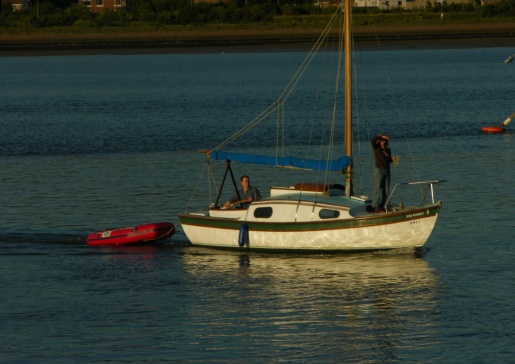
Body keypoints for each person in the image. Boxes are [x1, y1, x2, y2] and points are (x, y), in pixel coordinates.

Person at [371, 134, 399, 213]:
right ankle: (375, 207)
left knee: (386, 190)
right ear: (379, 141)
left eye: (384, 140)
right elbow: (372, 141)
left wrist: (392, 159)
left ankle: (384, 206)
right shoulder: (377, 148)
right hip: (378, 170)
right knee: (377, 189)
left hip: (386, 171)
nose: (383, 142)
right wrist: (380, 137)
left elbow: (387, 161)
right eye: (381, 140)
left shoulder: (387, 150)